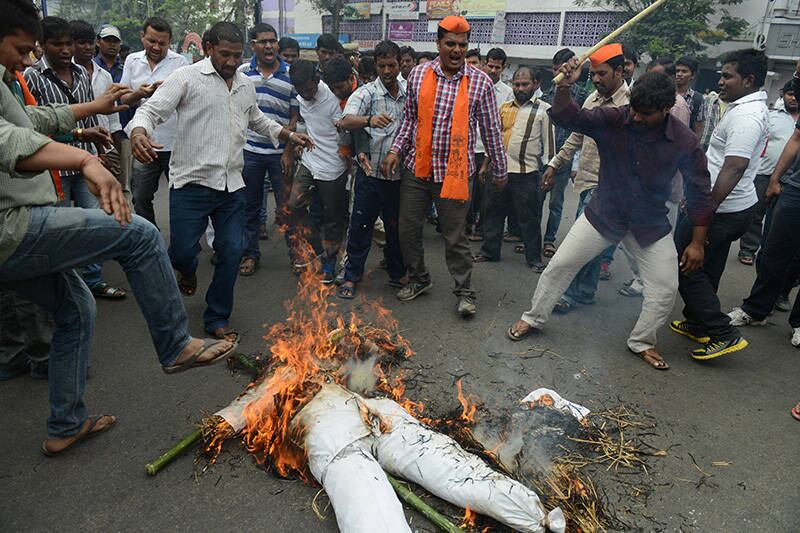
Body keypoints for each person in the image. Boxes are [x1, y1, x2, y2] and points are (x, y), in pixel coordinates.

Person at [0, 0, 237, 455]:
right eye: (21, 48)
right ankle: (174, 346)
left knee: (76, 310)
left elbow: (28, 121)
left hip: (21, 222)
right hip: (13, 226)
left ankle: (64, 424)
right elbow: (11, 141)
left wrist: (89, 114)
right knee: (142, 234)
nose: (27, 59)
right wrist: (85, 160)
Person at [508, 66, 714, 371]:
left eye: (645, 113)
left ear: (666, 109)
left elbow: (699, 190)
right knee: (560, 266)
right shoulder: (617, 117)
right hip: (603, 213)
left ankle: (642, 341)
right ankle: (533, 318)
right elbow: (570, 118)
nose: (636, 118)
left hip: (649, 225)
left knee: (665, 288)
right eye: (634, 110)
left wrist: (697, 242)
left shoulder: (684, 141)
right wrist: (564, 87)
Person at [127, 22, 312, 342]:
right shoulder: (186, 77)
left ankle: (217, 316)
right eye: (224, 54)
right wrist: (139, 131)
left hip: (231, 186)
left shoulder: (244, 84)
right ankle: (185, 270)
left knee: (231, 250)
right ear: (208, 48)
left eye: (236, 55)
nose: (230, 61)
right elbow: (151, 111)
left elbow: (256, 118)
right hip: (191, 184)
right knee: (184, 252)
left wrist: (288, 134)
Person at [382, 16, 508, 317]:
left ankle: (465, 291)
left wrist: (500, 171)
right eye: (450, 43)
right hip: (417, 169)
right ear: (438, 44)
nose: (456, 50)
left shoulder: (480, 82)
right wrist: (397, 150)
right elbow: (410, 121)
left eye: (462, 45)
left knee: (455, 237)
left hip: (455, 174)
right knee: (408, 230)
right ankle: (420, 278)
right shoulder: (419, 75)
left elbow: (491, 131)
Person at [670, 49, 768, 360]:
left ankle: (722, 332)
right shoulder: (743, 107)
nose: (721, 81)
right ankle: (698, 322)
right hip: (728, 207)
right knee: (707, 265)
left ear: (748, 80)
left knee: (685, 263)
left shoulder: (746, 116)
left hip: (722, 209)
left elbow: (734, 167)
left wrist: (703, 211)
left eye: (728, 76)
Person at [25, 16, 127, 300]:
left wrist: (102, 151)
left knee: (93, 219)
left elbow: (93, 114)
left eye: (69, 43)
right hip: (51, 167)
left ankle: (93, 280)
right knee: (58, 229)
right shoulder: (32, 76)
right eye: (57, 44)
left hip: (86, 162)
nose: (66, 50)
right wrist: (79, 134)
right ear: (42, 46)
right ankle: (62, 288)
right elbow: (31, 127)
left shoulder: (82, 73)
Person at [541, 44, 630, 314]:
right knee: (594, 240)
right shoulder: (592, 100)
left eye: (602, 74)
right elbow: (576, 136)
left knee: (583, 243)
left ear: (619, 71)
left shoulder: (631, 105)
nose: (596, 79)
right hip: (587, 180)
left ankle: (570, 293)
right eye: (593, 75)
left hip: (610, 187)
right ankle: (586, 291)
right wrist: (556, 163)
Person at [727, 59, 800, 348]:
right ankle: (755, 310)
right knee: (772, 250)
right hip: (795, 189)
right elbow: (796, 139)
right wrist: (775, 179)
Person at [337, 40, 407, 299]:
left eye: (391, 65)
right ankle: (352, 276)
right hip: (370, 176)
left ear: (399, 63)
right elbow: (344, 122)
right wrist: (369, 120)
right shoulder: (366, 93)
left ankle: (398, 271)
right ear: (375, 66)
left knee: (396, 228)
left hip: (399, 178)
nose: (387, 71)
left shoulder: (409, 92)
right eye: (382, 66)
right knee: (361, 228)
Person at [473, 66, 553, 271]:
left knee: (529, 218)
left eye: (524, 84)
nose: (519, 88)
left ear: (536, 84)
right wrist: (485, 165)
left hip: (526, 173)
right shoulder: (504, 107)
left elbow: (549, 144)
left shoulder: (544, 110)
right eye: (516, 84)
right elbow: (495, 139)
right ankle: (489, 251)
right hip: (499, 171)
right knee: (492, 213)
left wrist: (549, 169)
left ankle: (534, 258)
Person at [238, 23, 299, 277]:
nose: (268, 46)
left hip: (279, 154)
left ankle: (296, 254)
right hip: (250, 152)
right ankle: (250, 254)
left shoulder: (290, 73)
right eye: (263, 41)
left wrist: (287, 150)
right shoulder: (242, 73)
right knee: (250, 207)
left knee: (288, 207)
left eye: (272, 41)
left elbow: (294, 117)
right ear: (253, 45)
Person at [120, 17, 189, 227]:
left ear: (170, 43)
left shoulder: (180, 63)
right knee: (140, 196)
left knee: (182, 197)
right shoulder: (132, 61)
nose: (156, 47)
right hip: (144, 142)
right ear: (142, 37)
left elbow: (188, 100)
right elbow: (124, 99)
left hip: (175, 143)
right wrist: (139, 93)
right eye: (152, 41)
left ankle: (183, 244)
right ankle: (150, 238)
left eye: (162, 43)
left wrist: (168, 90)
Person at [284, 59, 349, 283]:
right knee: (294, 205)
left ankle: (331, 261)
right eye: (301, 90)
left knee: (333, 218)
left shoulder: (333, 98)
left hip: (333, 165)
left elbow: (346, 131)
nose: (306, 94)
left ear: (317, 80)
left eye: (309, 89)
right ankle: (318, 250)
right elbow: (303, 123)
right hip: (310, 161)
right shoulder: (300, 96)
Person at [737, 80, 798, 265]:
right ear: (783, 95)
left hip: (793, 180)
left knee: (780, 220)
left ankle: (770, 253)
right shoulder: (771, 116)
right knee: (757, 214)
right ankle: (748, 249)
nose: (793, 98)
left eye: (797, 94)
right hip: (765, 173)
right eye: (790, 93)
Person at [540, 48, 589, 259]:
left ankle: (549, 240)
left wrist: (575, 164)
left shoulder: (583, 96)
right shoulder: (545, 94)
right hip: (542, 158)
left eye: (561, 69)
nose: (557, 73)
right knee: (537, 200)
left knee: (556, 203)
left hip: (563, 160)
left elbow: (582, 134)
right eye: (554, 69)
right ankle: (532, 239)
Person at [468, 47, 513, 242]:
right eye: (490, 65)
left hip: (490, 151)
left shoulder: (508, 93)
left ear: (503, 68)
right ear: (485, 64)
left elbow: (503, 126)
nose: (493, 70)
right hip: (470, 148)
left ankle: (480, 229)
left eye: (497, 67)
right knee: (469, 193)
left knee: (487, 194)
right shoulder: (474, 86)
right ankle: (466, 226)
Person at [675, 56, 705, 136]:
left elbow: (698, 129)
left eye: (684, 71)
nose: (679, 74)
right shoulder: (665, 93)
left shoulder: (697, 99)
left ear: (693, 75)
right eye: (677, 71)